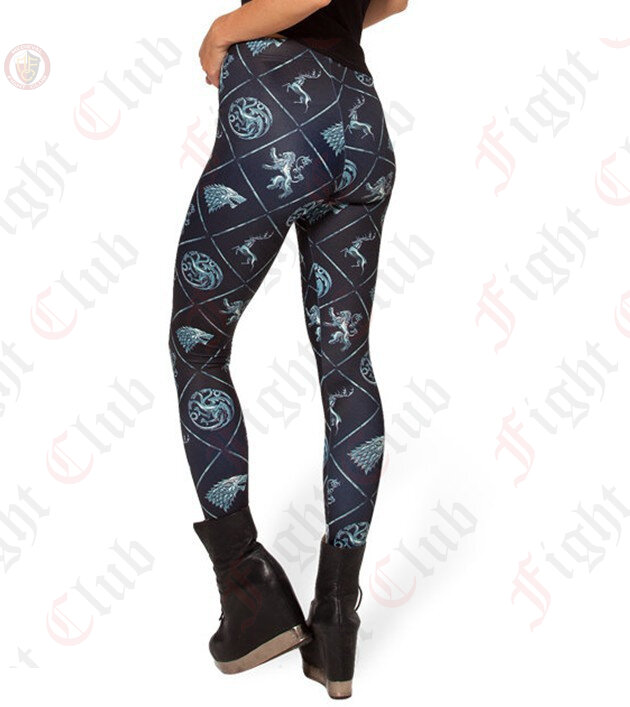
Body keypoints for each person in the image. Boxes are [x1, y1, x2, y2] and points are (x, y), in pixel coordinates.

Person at [167, 0, 408, 698]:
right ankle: (336, 615)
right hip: (362, 126)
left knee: (198, 343)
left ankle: (250, 592)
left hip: (281, 112)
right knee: (347, 362)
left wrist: (221, 32)